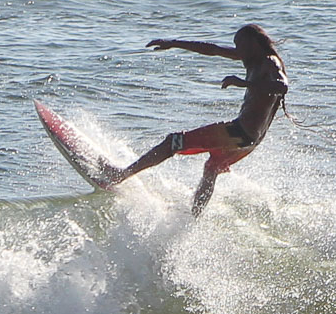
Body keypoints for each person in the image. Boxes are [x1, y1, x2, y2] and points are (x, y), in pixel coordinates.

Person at [106, 24, 289, 216]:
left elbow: (282, 85)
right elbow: (213, 49)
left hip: (239, 134)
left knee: (173, 142)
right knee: (211, 167)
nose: (237, 50)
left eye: (239, 44)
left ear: (253, 43)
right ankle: (193, 216)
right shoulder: (252, 59)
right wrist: (174, 43)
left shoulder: (269, 61)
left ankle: (120, 175)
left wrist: (243, 83)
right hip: (250, 141)